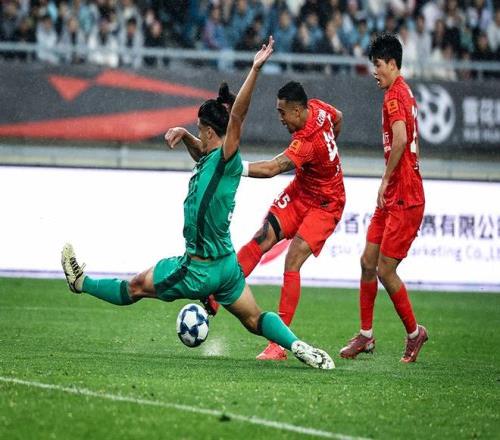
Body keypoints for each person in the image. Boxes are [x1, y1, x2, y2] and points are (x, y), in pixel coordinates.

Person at [61, 37, 334, 370]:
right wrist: (187, 136)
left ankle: (81, 282)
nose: (198, 133)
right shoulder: (215, 160)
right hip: (226, 269)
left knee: (135, 287)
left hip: (197, 270)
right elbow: (204, 152)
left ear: (208, 131)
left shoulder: (226, 157)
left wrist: (255, 69)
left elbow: (238, 117)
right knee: (255, 319)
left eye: (198, 128)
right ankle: (297, 345)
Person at [167, 81, 346, 362]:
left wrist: (232, 166)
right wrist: (329, 149)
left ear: (297, 111)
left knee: (292, 260)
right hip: (301, 192)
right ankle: (216, 296)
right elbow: (338, 118)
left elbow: (273, 168)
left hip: (327, 203)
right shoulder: (319, 108)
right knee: (262, 239)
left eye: (283, 113)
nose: (280, 119)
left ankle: (278, 345)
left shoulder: (306, 142)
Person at [339, 33, 428, 363]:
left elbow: (401, 139)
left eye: (377, 65)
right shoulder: (402, 92)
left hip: (404, 196)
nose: (374, 71)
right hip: (395, 195)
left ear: (392, 64)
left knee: (386, 271)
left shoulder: (394, 96)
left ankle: (415, 333)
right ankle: (366, 336)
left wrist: (386, 179)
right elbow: (409, 139)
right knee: (367, 262)